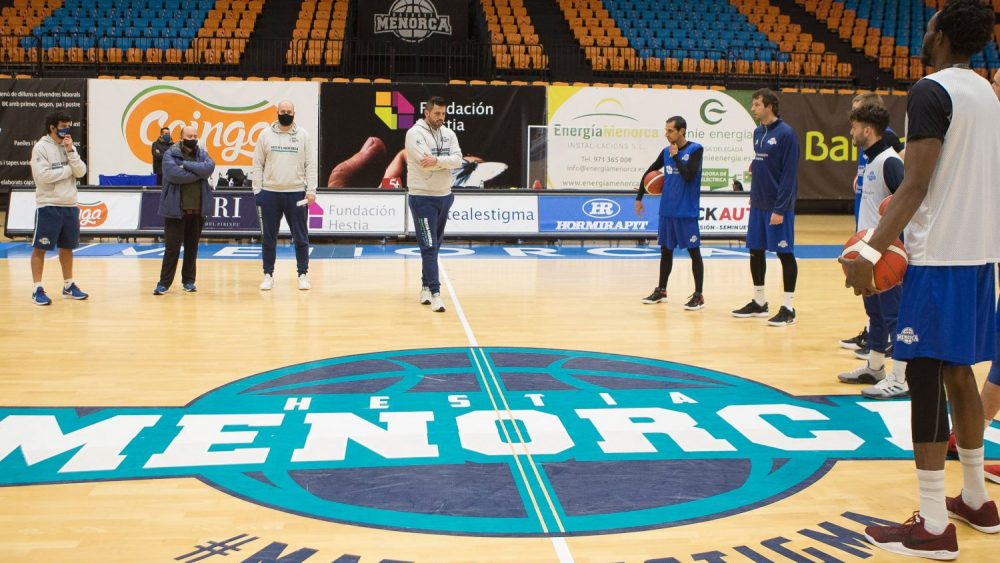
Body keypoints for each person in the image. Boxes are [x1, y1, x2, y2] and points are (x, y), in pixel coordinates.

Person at [841, 1, 1000, 558]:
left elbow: (915, 184)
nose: (923, 31)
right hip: (981, 255)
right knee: (959, 373)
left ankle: (933, 526)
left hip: (941, 257)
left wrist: (869, 249)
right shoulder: (987, 92)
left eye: (928, 26)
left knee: (925, 380)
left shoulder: (931, 90)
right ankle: (977, 499)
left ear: (940, 35)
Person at [836, 104, 908, 399]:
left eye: (854, 127)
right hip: (868, 252)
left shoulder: (890, 162)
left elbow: (907, 205)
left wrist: (889, 248)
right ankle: (875, 367)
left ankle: (901, 378)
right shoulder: (871, 161)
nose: (851, 132)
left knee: (894, 317)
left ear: (867, 130)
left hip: (885, 253)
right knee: (875, 314)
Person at [731, 89, 800, 327]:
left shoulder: (786, 134)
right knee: (755, 250)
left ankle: (789, 307)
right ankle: (759, 302)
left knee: (784, 253)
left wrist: (780, 209)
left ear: (769, 106)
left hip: (777, 207)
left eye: (757, 104)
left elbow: (789, 176)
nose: (754, 108)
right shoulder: (758, 132)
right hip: (758, 204)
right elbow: (763, 166)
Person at [635, 116, 705, 310]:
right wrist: (639, 197)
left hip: (686, 212)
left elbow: (689, 176)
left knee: (694, 252)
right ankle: (662, 290)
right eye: (666, 131)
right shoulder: (665, 152)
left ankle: (699, 295)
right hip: (667, 211)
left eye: (670, 131)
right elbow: (649, 172)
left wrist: (676, 157)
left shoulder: (695, 149)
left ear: (682, 131)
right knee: (665, 251)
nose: (666, 134)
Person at [405, 96, 463, 313]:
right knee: (428, 246)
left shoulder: (449, 133)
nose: (441, 117)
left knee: (434, 246)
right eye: (437, 113)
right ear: (427, 113)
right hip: (422, 198)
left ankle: (425, 287)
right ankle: (437, 293)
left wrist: (438, 161)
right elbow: (424, 164)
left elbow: (458, 160)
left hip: (445, 196)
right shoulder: (415, 133)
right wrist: (445, 162)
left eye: (444, 114)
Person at [251, 100, 317, 291]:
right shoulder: (265, 135)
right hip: (270, 193)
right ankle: (268, 274)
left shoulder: (303, 136)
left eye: (289, 111)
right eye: (282, 111)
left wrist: (311, 190)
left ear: (294, 113)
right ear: (277, 112)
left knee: (301, 237)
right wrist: (258, 190)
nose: (285, 113)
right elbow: (257, 164)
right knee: (268, 238)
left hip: (296, 193)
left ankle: (302, 274)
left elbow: (310, 165)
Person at [29, 111, 88, 306]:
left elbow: (81, 171)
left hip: (69, 204)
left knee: (67, 247)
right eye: (63, 126)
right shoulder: (40, 147)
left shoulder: (69, 145)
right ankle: (37, 288)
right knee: (40, 248)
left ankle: (68, 285)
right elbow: (43, 176)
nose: (67, 130)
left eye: (68, 126)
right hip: (49, 205)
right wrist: (68, 170)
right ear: (52, 127)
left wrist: (70, 151)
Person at [153, 126, 216, 295]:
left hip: (197, 210)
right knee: (172, 248)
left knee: (192, 247)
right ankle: (164, 283)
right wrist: (198, 172)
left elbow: (209, 167)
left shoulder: (202, 153)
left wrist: (186, 165)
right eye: (189, 135)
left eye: (195, 135)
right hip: (175, 210)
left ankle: (188, 281)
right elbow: (174, 175)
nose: (193, 138)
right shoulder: (170, 154)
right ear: (181, 137)